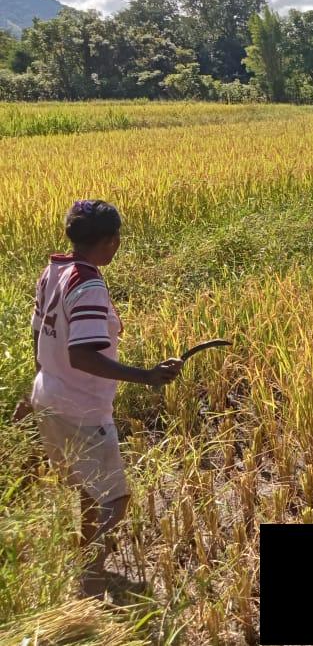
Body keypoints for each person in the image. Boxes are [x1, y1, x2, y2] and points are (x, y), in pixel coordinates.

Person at [12, 201, 182, 598]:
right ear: (109, 242)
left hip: (49, 395)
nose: (118, 244)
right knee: (117, 499)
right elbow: (82, 354)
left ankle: (86, 552)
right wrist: (147, 376)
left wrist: (35, 385)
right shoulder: (88, 285)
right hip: (81, 409)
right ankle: (88, 570)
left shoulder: (53, 271)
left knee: (86, 490)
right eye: (115, 239)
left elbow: (38, 335)